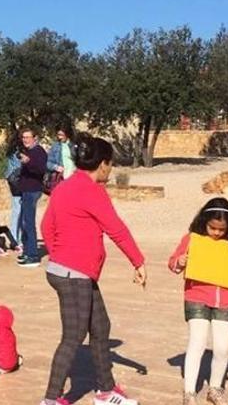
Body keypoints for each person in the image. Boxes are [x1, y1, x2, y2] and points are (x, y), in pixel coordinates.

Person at [39, 133, 147, 405]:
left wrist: (59, 256)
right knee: (73, 336)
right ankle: (50, 400)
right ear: (102, 164)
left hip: (70, 271)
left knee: (100, 326)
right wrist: (138, 261)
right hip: (73, 274)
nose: (111, 170)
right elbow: (117, 230)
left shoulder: (64, 186)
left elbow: (46, 227)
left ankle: (106, 390)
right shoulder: (92, 191)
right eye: (111, 165)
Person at [168, 198, 228, 405]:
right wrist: (179, 262)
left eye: (221, 229)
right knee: (197, 343)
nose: (216, 232)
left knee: (222, 348)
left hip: (226, 300)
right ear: (204, 221)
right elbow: (173, 263)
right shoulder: (191, 239)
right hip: (196, 296)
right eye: (212, 227)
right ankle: (189, 392)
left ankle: (215, 388)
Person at [16, 127, 47, 267]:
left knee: (28, 222)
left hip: (33, 190)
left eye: (28, 137)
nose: (25, 140)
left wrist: (28, 162)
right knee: (23, 222)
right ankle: (28, 252)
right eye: (23, 137)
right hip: (26, 190)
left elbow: (41, 169)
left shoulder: (38, 151)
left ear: (35, 138)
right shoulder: (27, 151)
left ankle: (33, 255)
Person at [4, 133, 24, 256]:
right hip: (19, 182)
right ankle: (16, 240)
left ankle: (15, 238)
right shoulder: (19, 152)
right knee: (19, 211)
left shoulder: (11, 151)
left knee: (16, 209)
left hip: (12, 182)